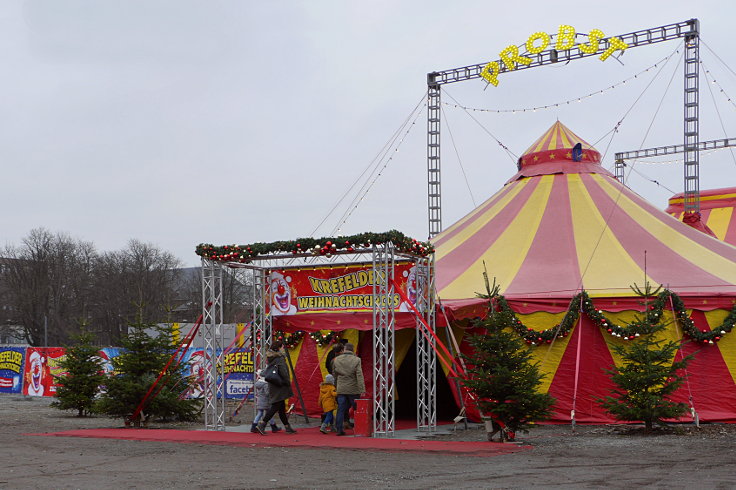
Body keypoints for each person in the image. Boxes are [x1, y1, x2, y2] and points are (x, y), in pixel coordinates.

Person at [256, 341, 297, 435]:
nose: (283, 348)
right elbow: (284, 372)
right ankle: (262, 424)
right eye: (282, 347)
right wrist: (287, 382)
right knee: (275, 406)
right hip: (280, 385)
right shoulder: (279, 359)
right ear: (279, 348)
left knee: (281, 407)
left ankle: (287, 427)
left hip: (274, 384)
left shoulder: (271, 358)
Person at [332, 342, 365, 436]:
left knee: (341, 409)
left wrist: (336, 386)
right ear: (352, 350)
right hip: (353, 388)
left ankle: (339, 429)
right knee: (357, 409)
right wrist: (362, 389)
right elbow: (359, 375)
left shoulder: (336, 360)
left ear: (344, 349)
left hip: (341, 388)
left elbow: (334, 374)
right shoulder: (357, 360)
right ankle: (360, 428)